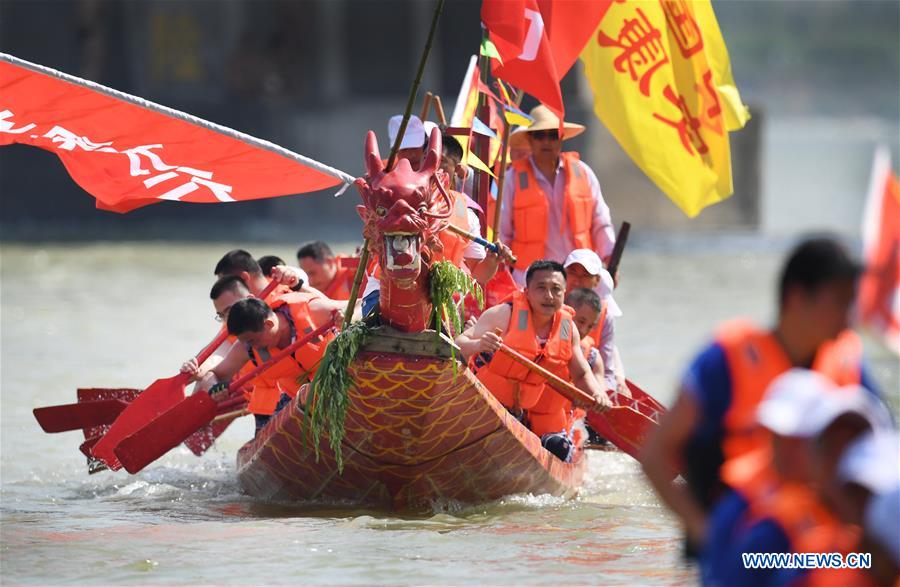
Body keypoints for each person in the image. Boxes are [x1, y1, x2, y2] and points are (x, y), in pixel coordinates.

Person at [641, 236, 882, 558]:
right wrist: (705, 532)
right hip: (745, 546)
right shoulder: (727, 357)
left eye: (852, 302)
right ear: (798, 297)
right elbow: (654, 454)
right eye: (840, 301)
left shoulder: (848, 361)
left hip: (823, 551)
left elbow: (882, 458)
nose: (849, 317)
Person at [701, 369, 890, 587]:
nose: (842, 459)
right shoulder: (770, 531)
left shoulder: (888, 519)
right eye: (832, 447)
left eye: (854, 446)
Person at [455, 260, 612, 461]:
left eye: (556, 290)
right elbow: (459, 343)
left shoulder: (567, 328)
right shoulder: (505, 314)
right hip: (485, 408)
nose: (549, 296)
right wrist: (478, 345)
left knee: (560, 450)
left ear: (564, 294)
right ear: (527, 291)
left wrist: (597, 394)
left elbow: (581, 373)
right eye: (541, 288)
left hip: (522, 415)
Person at [181, 294, 338, 436]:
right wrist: (214, 388)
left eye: (252, 340)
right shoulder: (246, 347)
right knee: (271, 440)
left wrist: (344, 317)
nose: (252, 347)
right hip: (297, 398)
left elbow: (359, 305)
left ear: (268, 324)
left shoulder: (313, 311)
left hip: (338, 378)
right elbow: (213, 375)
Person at [500, 104, 616, 286]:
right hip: (530, 279)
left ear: (561, 138)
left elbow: (600, 221)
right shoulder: (512, 178)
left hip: (579, 276)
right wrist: (502, 273)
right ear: (530, 139)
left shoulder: (583, 173)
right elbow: (503, 232)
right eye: (539, 135)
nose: (546, 141)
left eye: (552, 135)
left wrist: (610, 258)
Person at [563, 249, 626, 395]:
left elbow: (607, 373)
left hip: (586, 386)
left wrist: (601, 395)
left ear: (596, 280)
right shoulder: (551, 301)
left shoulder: (605, 316)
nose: (577, 281)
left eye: (585, 275)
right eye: (572, 272)